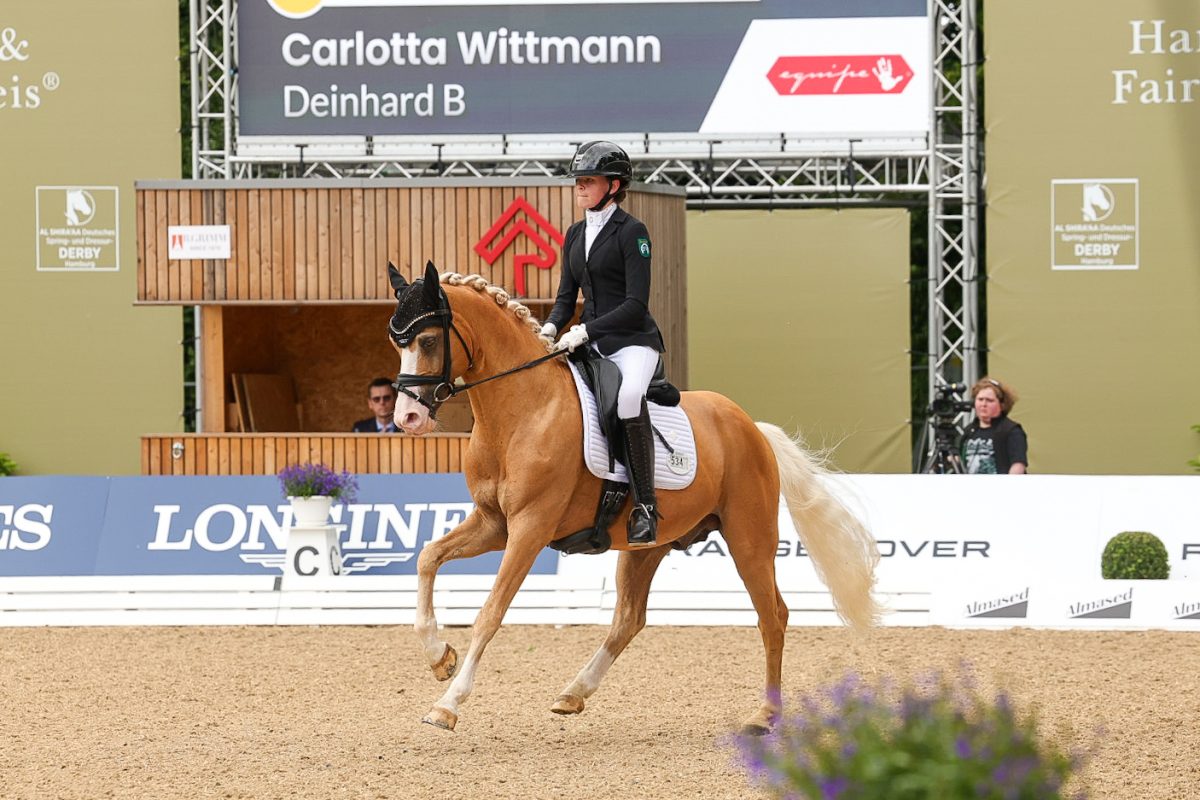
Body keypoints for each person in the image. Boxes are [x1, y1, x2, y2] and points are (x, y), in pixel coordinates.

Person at [540, 141, 665, 547]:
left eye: (589, 180)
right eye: (578, 180)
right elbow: (565, 298)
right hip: (588, 340)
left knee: (627, 399)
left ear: (613, 186)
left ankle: (645, 507)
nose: (580, 186)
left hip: (632, 342)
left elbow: (635, 304)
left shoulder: (633, 232)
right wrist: (549, 329)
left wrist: (586, 331)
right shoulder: (575, 234)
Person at [960, 376, 1028, 474]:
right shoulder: (969, 431)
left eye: (989, 400)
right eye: (980, 399)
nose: (983, 404)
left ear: (1002, 405)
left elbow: (1018, 465)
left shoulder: (1011, 430)